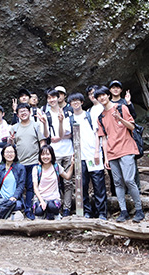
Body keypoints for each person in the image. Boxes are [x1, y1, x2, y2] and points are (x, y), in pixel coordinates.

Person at [95, 85, 145, 223]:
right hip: (112, 152)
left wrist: (119, 118)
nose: (101, 98)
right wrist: (105, 157)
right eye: (98, 97)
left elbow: (132, 126)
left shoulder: (121, 108)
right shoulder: (100, 117)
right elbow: (103, 138)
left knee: (129, 180)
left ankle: (139, 210)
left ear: (108, 95)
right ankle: (123, 211)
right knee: (117, 183)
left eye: (103, 95)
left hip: (126, 148)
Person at [67, 92, 107, 220]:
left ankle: (102, 212)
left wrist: (97, 151)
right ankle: (87, 211)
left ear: (82, 102)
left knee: (98, 185)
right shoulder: (70, 119)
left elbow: (97, 134)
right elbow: (66, 137)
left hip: (93, 155)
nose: (75, 103)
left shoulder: (89, 115)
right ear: (70, 104)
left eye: (78, 100)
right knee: (82, 185)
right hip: (80, 157)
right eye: (73, 101)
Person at [9, 103, 49, 220]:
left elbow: (42, 142)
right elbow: (11, 146)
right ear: (17, 114)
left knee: (32, 187)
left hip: (34, 161)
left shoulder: (36, 125)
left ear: (30, 112)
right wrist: (10, 141)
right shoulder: (14, 127)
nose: (23, 113)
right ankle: (18, 208)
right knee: (19, 186)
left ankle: (29, 210)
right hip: (19, 163)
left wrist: (41, 159)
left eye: (25, 110)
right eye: (20, 111)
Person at [45, 89, 75, 216]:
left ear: (58, 98)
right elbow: (47, 135)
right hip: (54, 153)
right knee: (54, 181)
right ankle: (56, 206)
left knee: (68, 182)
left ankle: (67, 208)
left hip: (68, 151)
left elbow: (69, 133)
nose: (51, 100)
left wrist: (61, 122)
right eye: (49, 98)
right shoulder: (46, 115)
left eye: (54, 97)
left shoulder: (67, 113)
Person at [32, 145, 74, 220]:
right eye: (43, 154)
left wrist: (72, 165)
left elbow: (67, 177)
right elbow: (35, 187)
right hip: (41, 198)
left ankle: (53, 214)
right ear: (40, 156)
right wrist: (41, 201)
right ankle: (45, 215)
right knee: (39, 210)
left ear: (52, 155)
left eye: (48, 154)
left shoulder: (56, 167)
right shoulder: (36, 169)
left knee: (52, 206)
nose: (45, 157)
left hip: (54, 198)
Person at [0, 144, 26, 219]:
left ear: (15, 154)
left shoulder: (20, 168)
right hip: (2, 198)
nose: (9, 154)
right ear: (3, 154)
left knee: (17, 205)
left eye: (12, 152)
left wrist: (15, 197)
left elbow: (21, 185)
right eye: (7, 152)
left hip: (14, 200)